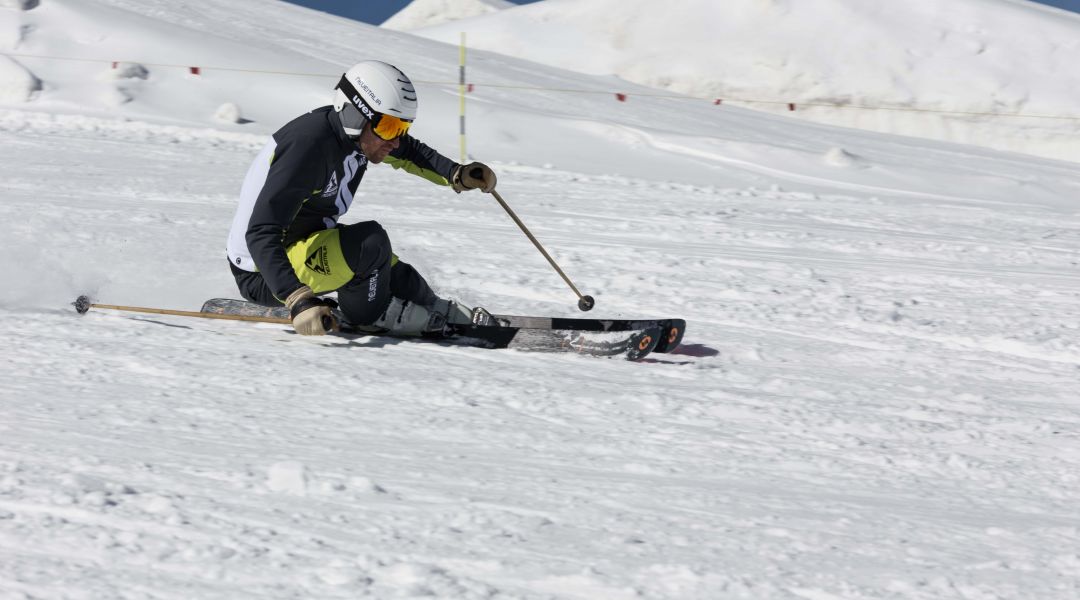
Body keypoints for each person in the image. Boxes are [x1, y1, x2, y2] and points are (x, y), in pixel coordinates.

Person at [225, 60, 496, 336]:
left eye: (403, 128)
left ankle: (432, 307)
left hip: (301, 244)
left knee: (394, 271)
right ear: (355, 114)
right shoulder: (308, 148)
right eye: (390, 127)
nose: (396, 141)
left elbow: (409, 152)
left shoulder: (357, 137)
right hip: (263, 273)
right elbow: (260, 232)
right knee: (370, 244)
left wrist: (456, 173)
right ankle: (374, 315)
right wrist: (297, 298)